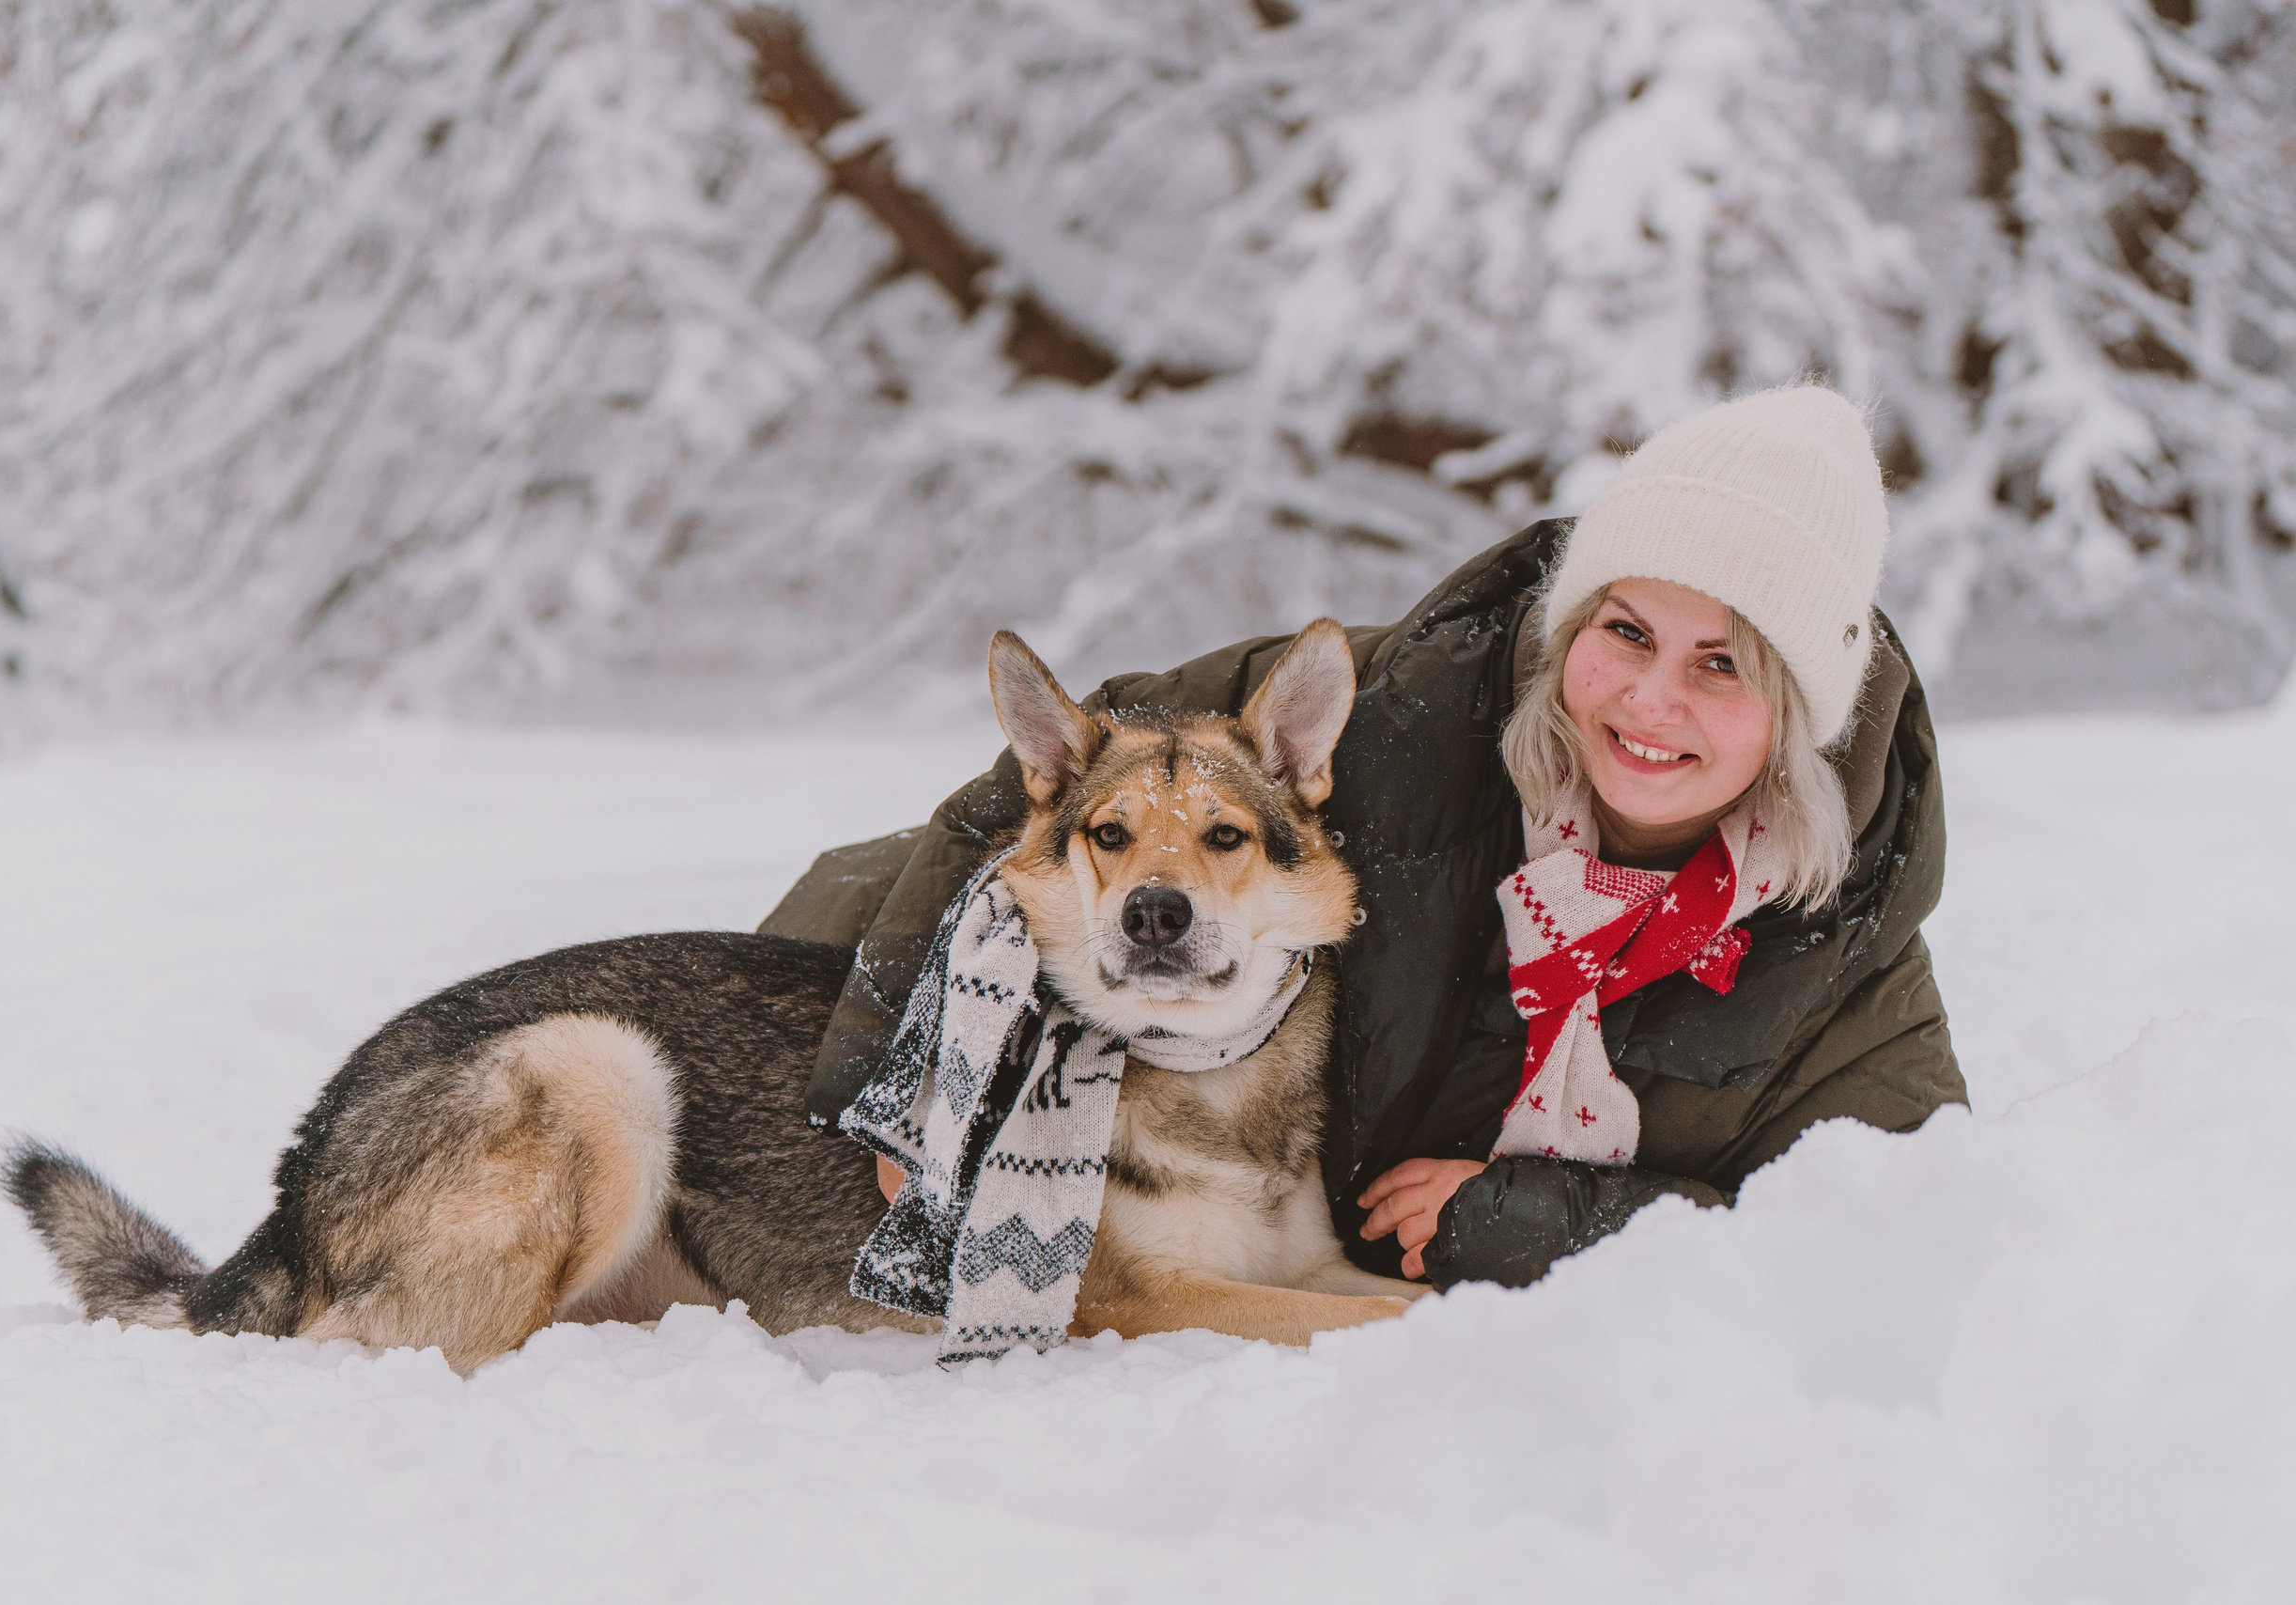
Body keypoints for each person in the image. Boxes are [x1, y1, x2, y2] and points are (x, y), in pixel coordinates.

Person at [762, 385, 1965, 1290]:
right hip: (888, 1013)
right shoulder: (1404, 708)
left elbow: (1885, 1247)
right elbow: (1032, 796)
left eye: (1722, 664)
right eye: (1626, 630)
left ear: (1802, 712)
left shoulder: (1845, 955)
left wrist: (1535, 1218)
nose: (1648, 702)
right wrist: (898, 1072)